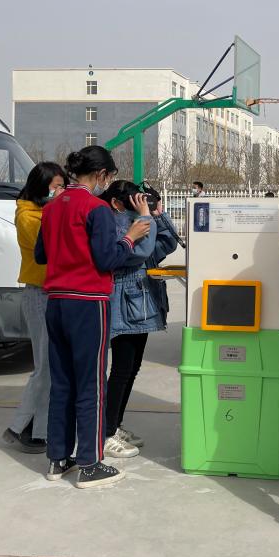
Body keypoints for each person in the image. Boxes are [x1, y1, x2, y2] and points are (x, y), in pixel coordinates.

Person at [35, 146, 150, 489]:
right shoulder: (96, 209)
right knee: (91, 384)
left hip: (56, 300)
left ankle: (58, 457)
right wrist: (130, 238)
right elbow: (107, 259)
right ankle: (90, 462)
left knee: (62, 382)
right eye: (109, 177)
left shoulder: (52, 207)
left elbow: (41, 254)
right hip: (88, 301)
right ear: (101, 175)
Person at [101, 180, 175, 458]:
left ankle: (115, 424)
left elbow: (166, 244)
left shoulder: (138, 221)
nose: (139, 204)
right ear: (117, 202)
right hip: (125, 304)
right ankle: (105, 433)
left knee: (131, 368)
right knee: (121, 370)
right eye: (135, 200)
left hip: (141, 304)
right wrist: (144, 216)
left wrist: (158, 215)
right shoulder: (117, 224)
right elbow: (140, 252)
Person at [3, 162, 67, 454]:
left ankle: (38, 427)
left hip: (54, 292)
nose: (60, 191)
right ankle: (25, 428)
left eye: (62, 186)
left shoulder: (44, 211)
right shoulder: (28, 216)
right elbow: (50, 246)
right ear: (41, 186)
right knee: (44, 366)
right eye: (55, 186)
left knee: (52, 366)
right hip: (40, 293)